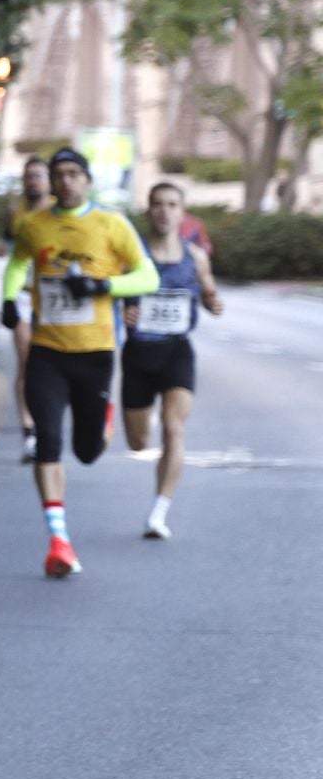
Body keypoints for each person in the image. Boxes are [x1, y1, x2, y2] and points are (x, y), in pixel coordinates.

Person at [1, 146, 159, 577]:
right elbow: (17, 265)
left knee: (87, 451)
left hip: (95, 354)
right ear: (51, 182)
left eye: (74, 174)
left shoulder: (110, 224)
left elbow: (148, 276)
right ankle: (59, 540)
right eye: (59, 175)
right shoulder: (34, 225)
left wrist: (101, 287)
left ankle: (103, 417)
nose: (66, 181)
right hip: (47, 352)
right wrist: (10, 299)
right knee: (47, 443)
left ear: (87, 179)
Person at [123, 182, 223, 540]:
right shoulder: (131, 256)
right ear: (148, 211)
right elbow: (111, 296)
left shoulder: (195, 257)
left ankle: (159, 512)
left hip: (176, 352)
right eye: (158, 204)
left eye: (172, 204)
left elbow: (210, 294)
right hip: (138, 355)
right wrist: (125, 314)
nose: (164, 211)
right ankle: (145, 416)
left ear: (182, 213)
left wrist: (213, 303)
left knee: (174, 427)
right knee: (137, 441)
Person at [0, 157, 54, 462]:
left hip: (52, 298)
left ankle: (50, 413)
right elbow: (8, 244)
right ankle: (29, 428)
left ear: (48, 181)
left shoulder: (58, 212)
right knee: (27, 361)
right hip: (22, 295)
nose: (33, 181)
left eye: (39, 176)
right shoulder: (15, 214)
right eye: (29, 176)